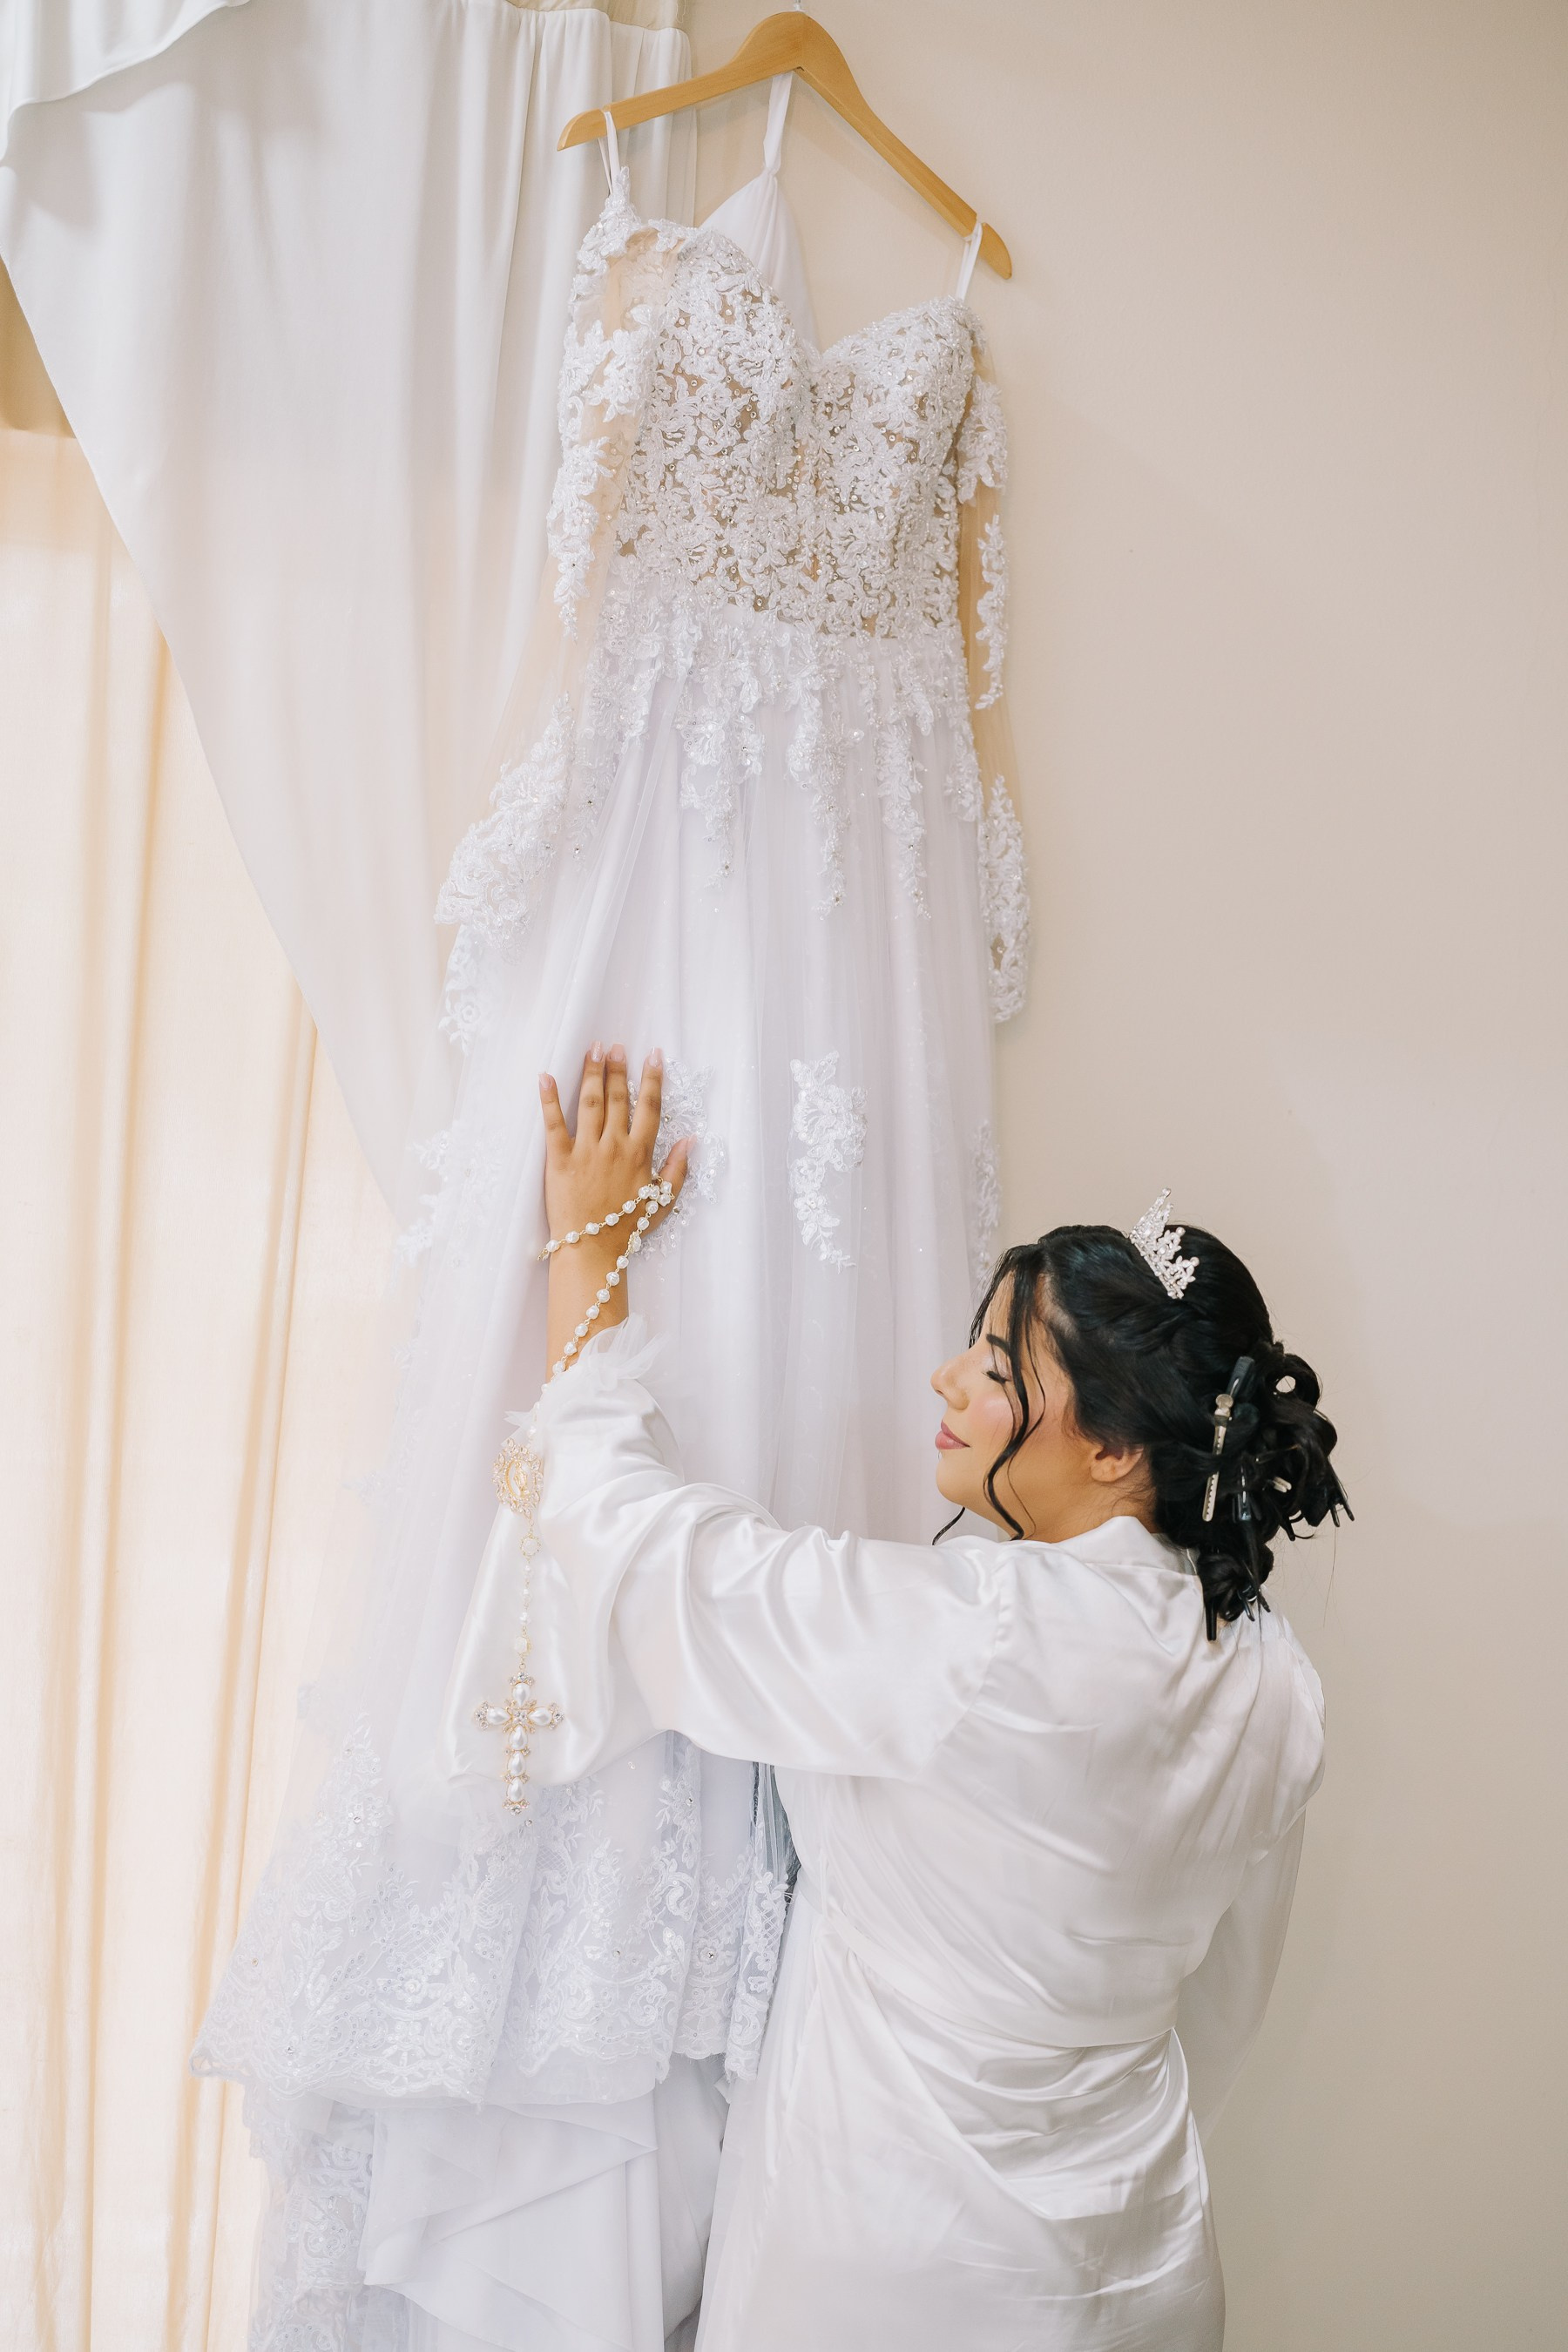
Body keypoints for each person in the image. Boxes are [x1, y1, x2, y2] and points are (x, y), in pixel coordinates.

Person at [487, 1044, 1342, 2350]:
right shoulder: (1277, 1682)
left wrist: (585, 1254)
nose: (949, 1380)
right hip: (1137, 2267)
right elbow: (1222, 2014)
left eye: (997, 1367)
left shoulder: (983, 1635)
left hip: (890, 2268)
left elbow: (656, 1561)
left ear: (1116, 1446)